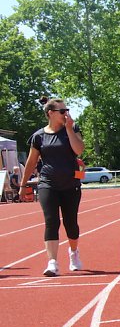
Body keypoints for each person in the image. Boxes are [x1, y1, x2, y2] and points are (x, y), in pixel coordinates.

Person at [19, 97, 85, 276]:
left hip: (70, 184)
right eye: (62, 111)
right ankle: (52, 262)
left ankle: (74, 253)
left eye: (67, 110)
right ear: (50, 113)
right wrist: (23, 185)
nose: (66, 114)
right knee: (51, 221)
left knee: (71, 224)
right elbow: (32, 161)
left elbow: (79, 150)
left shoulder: (72, 129)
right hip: (48, 184)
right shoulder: (38, 136)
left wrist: (69, 129)